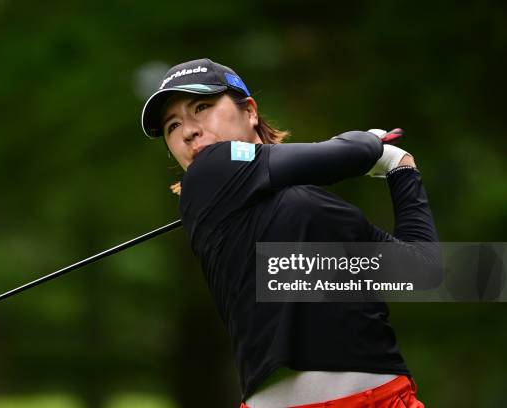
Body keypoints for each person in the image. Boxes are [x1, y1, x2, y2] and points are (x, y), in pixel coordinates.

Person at [141, 58, 439, 408]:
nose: (188, 131)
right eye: (173, 125)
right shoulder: (206, 173)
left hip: (388, 398)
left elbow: (423, 271)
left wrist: (403, 171)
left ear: (249, 111)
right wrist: (376, 148)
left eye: (202, 107)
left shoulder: (324, 212)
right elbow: (352, 153)